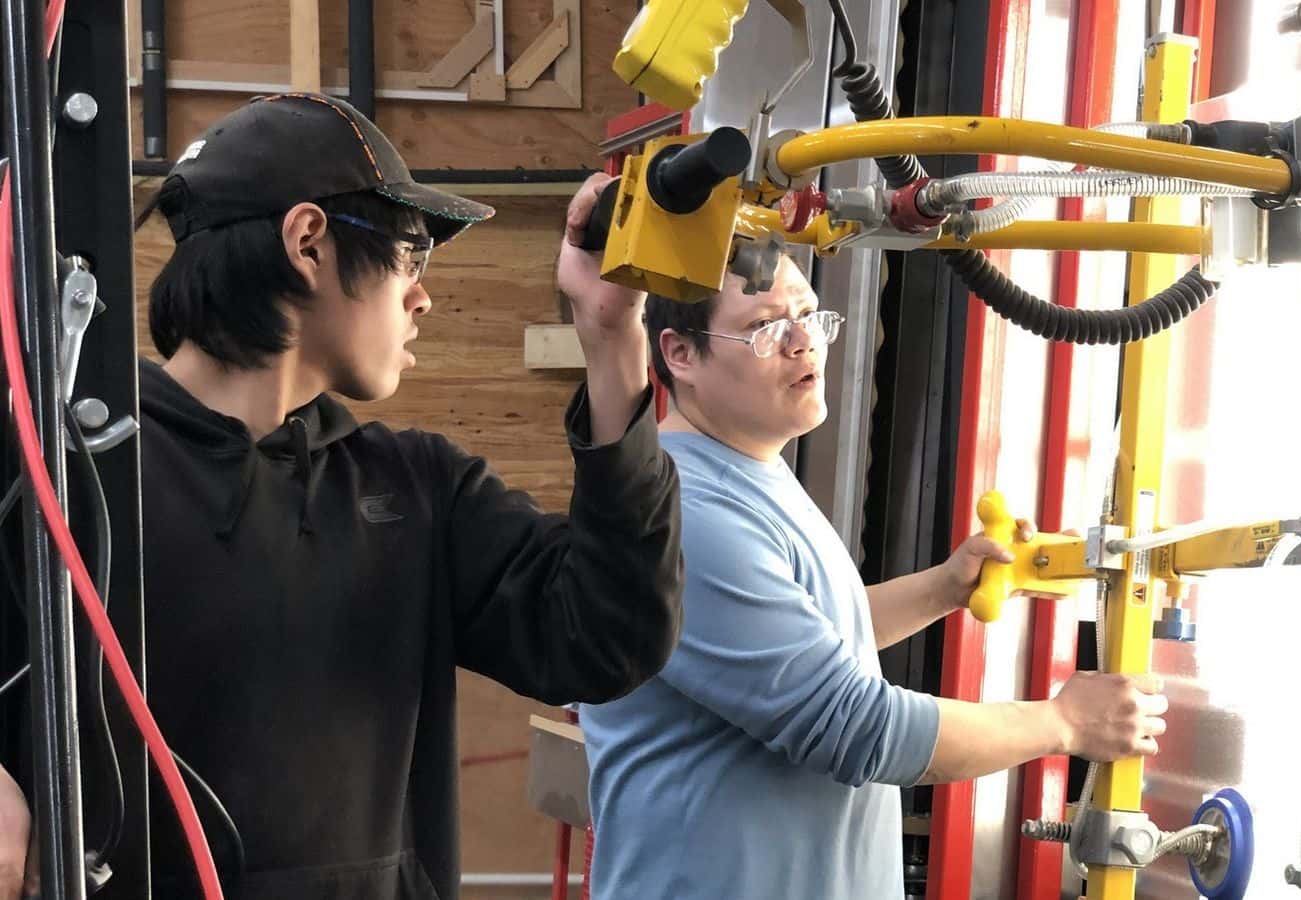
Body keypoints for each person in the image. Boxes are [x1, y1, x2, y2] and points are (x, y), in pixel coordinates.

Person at [4, 92, 684, 900]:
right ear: (309, 244)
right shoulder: (68, 477)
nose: (423, 297)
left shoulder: (417, 490)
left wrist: (612, 339)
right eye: (411, 256)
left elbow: (611, 636)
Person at [579, 253, 1169, 899]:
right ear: (681, 354)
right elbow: (855, 727)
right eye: (769, 327)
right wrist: (1064, 725)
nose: (805, 341)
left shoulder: (751, 471)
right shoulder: (686, 511)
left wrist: (945, 587)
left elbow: (804, 643)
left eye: (808, 315)